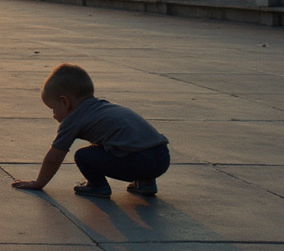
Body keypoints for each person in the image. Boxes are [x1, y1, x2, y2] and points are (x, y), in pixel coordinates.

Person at [12, 63, 170, 198]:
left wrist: (38, 183)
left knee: (83, 156)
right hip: (162, 157)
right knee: (112, 147)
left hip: (140, 162)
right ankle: (145, 183)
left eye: (53, 108)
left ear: (64, 101)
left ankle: (98, 186)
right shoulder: (102, 107)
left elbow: (54, 157)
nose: (53, 115)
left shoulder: (73, 120)